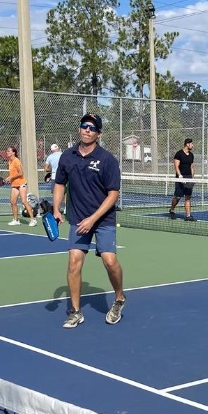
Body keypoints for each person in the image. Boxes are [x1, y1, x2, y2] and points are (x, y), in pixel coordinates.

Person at [52, 113, 126, 329]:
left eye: (92, 128)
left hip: (102, 219)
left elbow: (113, 194)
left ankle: (119, 297)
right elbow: (59, 184)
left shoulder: (107, 160)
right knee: (74, 261)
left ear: (99, 134)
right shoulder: (68, 156)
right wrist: (57, 209)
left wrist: (93, 219)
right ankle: (75, 312)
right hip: (77, 218)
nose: (87, 130)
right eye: (84, 126)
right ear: (79, 129)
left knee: (110, 262)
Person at [3, 146, 36, 227]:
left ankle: (33, 220)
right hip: (14, 184)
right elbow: (13, 174)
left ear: (13, 152)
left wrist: (11, 177)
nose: (7, 152)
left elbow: (21, 173)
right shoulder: (9, 161)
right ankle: (16, 220)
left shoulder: (16, 161)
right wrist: (9, 179)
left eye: (9, 151)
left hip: (22, 184)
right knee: (13, 201)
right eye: (7, 151)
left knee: (24, 201)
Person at [169, 138, 197, 221]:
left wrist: (192, 178)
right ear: (187, 144)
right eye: (191, 144)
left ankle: (188, 216)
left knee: (188, 197)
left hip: (188, 177)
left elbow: (191, 167)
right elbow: (176, 166)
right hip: (180, 178)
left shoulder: (191, 155)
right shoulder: (179, 154)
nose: (192, 145)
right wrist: (180, 176)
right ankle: (172, 210)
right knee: (177, 197)